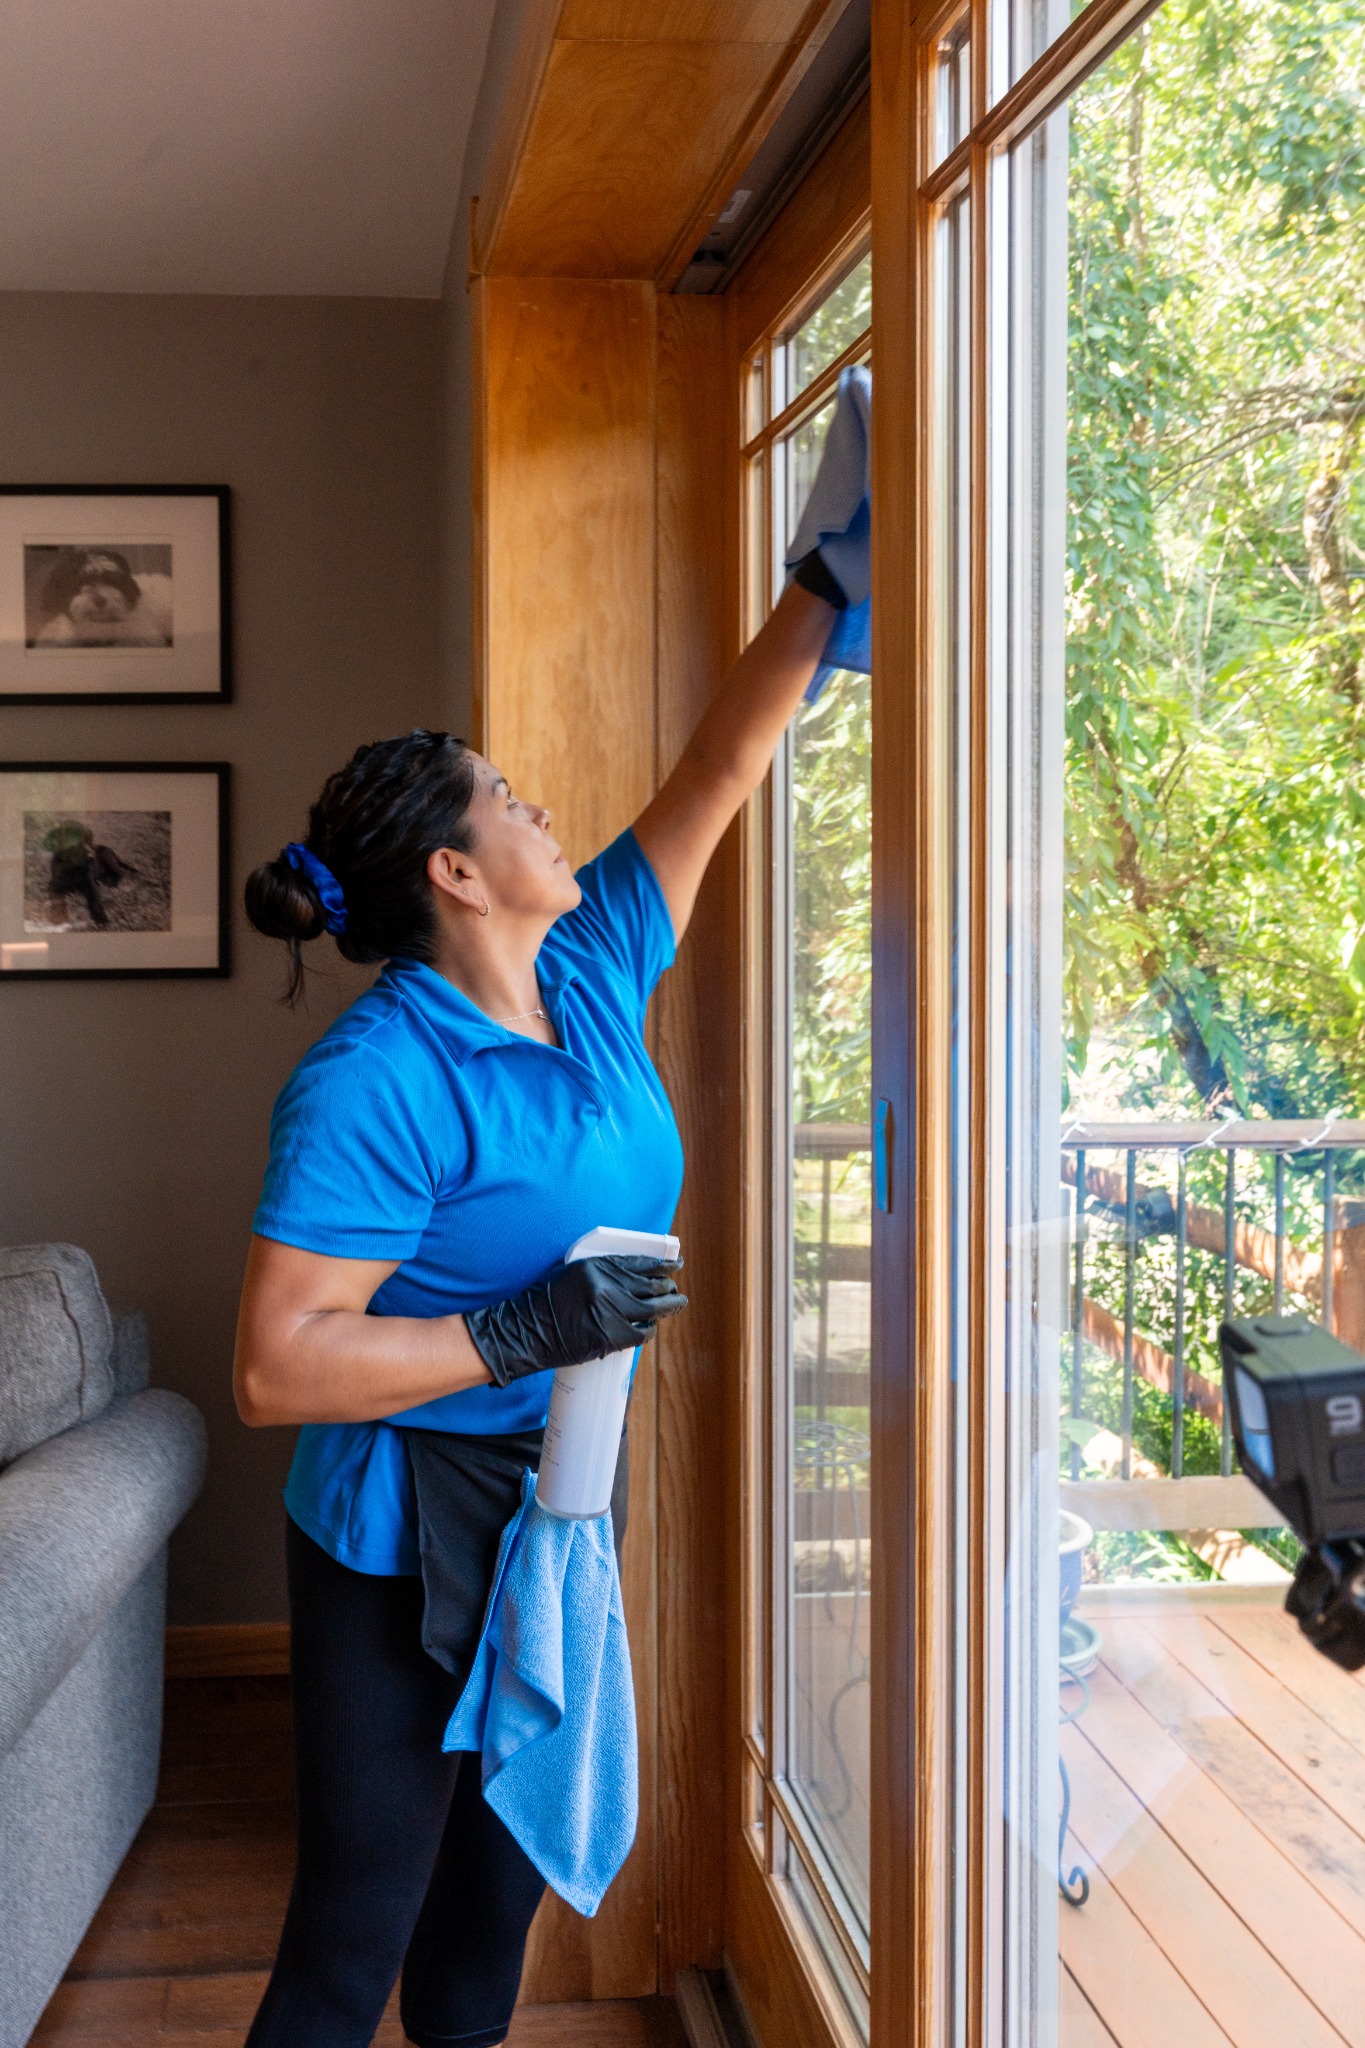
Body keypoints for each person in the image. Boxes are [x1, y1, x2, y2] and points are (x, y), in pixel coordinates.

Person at [234, 559, 847, 2048]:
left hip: (554, 1507)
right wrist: (517, 1333)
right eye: (505, 798)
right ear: (452, 869)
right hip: (398, 1538)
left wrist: (830, 575)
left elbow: (721, 765)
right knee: (354, 1929)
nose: (540, 809)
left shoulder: (584, 968)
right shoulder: (378, 1080)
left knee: (491, 1901)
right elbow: (274, 1368)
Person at [29, 546, 172, 647]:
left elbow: (151, 643)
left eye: (111, 582)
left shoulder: (134, 619)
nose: (100, 595)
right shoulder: (66, 624)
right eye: (85, 584)